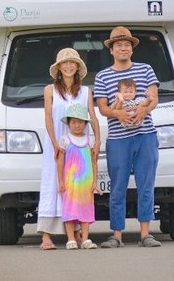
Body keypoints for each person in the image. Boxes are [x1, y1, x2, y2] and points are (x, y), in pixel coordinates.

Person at [94, 26, 162, 248]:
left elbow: (153, 98)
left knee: (146, 185)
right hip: (118, 139)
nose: (123, 48)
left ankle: (145, 234)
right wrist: (119, 114)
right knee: (117, 187)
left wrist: (143, 109)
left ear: (132, 49)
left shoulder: (146, 70)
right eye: (118, 45)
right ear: (111, 50)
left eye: (127, 45)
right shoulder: (103, 76)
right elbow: (103, 108)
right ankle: (117, 234)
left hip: (145, 136)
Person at [38, 48, 102, 250]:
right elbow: (48, 118)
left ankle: (77, 234)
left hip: (80, 146)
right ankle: (46, 235)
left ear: (77, 67)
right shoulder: (50, 90)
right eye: (64, 63)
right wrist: (55, 143)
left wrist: (97, 141)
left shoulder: (85, 91)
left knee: (77, 186)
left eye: (72, 62)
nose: (68, 66)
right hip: (57, 144)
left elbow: (93, 117)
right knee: (53, 182)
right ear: (58, 68)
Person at [56, 103, 102, 250]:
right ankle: (71, 239)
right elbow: (60, 162)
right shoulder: (65, 140)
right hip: (70, 182)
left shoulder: (90, 140)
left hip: (86, 183)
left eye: (81, 122)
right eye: (74, 122)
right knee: (69, 209)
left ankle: (85, 238)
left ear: (85, 124)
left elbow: (94, 162)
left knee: (85, 210)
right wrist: (60, 181)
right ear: (69, 123)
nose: (77, 125)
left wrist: (95, 182)